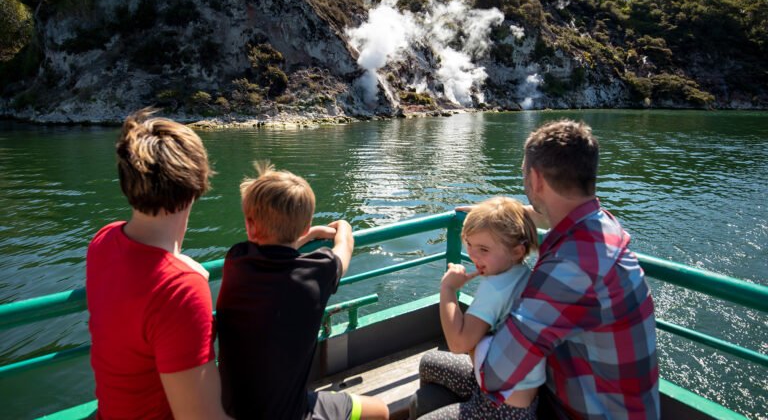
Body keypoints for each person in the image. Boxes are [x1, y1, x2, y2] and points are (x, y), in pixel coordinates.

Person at [414, 119, 660, 420]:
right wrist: (496, 217)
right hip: (599, 399)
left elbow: (495, 375)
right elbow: (548, 215)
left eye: (524, 175)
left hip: (578, 411)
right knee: (431, 369)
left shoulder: (570, 270)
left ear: (536, 178)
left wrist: (477, 337)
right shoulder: (601, 225)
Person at [86, 108, 230, 419]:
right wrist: (183, 276)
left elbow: (141, 275)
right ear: (197, 184)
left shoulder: (103, 241)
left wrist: (180, 266)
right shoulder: (181, 290)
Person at [216, 161, 389, 420]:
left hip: (231, 410)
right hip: (291, 414)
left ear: (250, 226)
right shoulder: (319, 270)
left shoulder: (236, 260)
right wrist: (343, 227)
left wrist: (304, 236)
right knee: (381, 411)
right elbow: (345, 246)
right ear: (305, 227)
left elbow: (272, 248)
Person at [416, 196, 546, 420]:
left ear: (517, 251)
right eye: (469, 244)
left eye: (484, 249)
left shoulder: (495, 288)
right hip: (513, 394)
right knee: (429, 363)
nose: (473, 255)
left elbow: (458, 344)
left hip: (500, 409)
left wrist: (448, 288)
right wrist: (489, 218)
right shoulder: (520, 271)